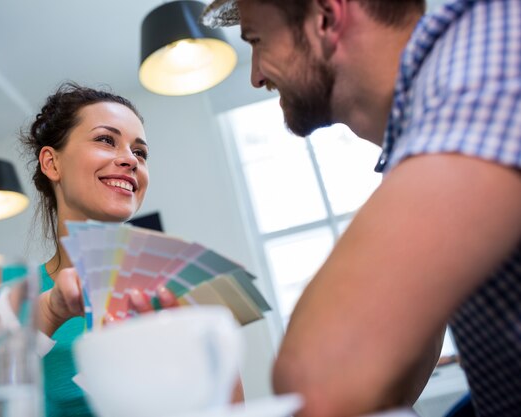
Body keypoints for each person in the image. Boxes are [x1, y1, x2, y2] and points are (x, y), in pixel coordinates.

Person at [201, 1, 520, 416]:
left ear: (326, 17)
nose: (256, 74)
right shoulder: (419, 132)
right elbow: (391, 372)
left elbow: (317, 381)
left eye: (257, 41)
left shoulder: (489, 63)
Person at [0, 82, 159, 417]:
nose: (130, 160)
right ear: (52, 163)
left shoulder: (181, 290)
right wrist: (48, 313)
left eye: (141, 152)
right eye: (106, 139)